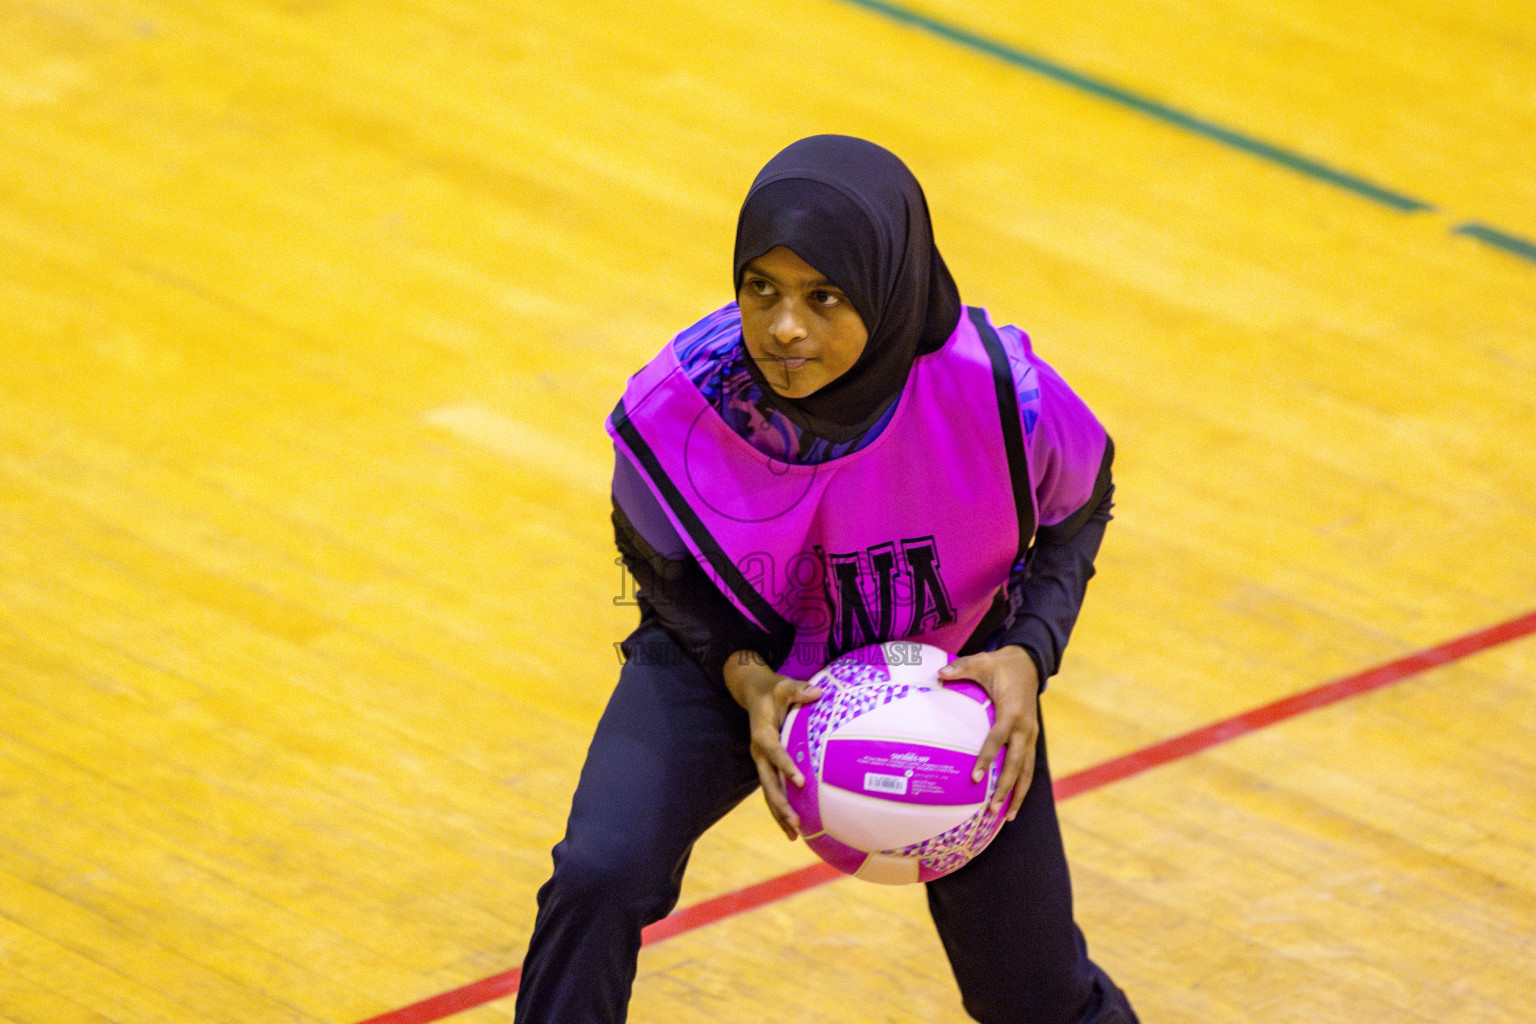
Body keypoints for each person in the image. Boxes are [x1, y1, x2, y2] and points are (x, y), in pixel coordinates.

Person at [515, 135, 1138, 1024]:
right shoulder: (682, 403)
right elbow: (656, 554)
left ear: (887, 294)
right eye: (759, 288)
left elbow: (1081, 500)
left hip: (952, 670)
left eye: (824, 296)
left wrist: (1028, 656)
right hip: (736, 657)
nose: (783, 329)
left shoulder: (998, 392)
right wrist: (742, 673)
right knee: (598, 873)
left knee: (1034, 993)